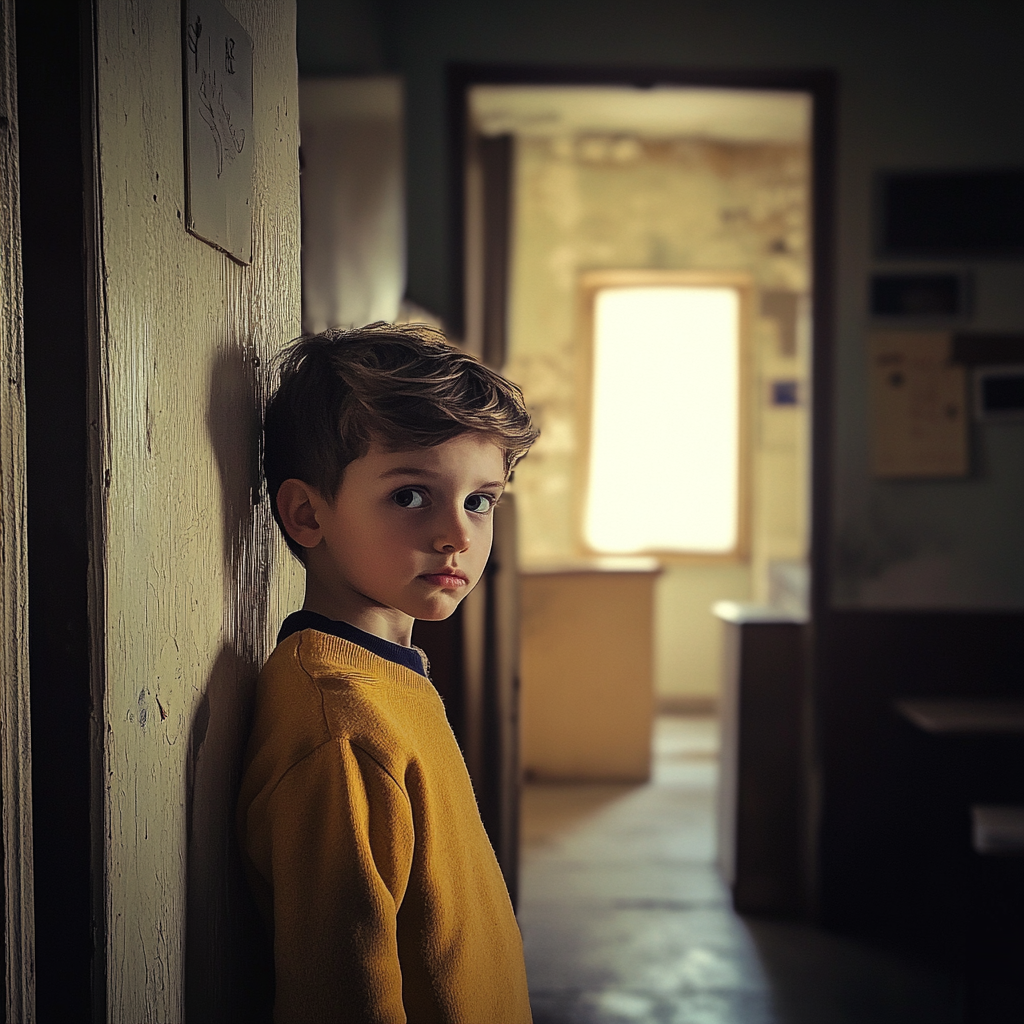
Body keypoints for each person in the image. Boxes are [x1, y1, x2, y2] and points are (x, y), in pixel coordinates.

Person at [237, 323, 538, 1024]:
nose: (458, 536)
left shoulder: (386, 679)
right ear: (308, 513)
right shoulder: (340, 730)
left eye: (480, 500)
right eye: (411, 495)